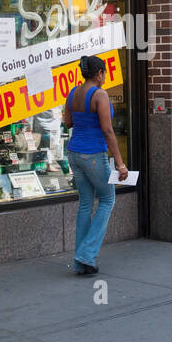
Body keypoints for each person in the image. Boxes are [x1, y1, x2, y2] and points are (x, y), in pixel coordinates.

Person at [61, 55, 129, 275]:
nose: (105, 76)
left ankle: (80, 263)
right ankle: (86, 255)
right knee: (108, 200)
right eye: (105, 73)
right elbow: (108, 131)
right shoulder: (99, 95)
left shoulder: (72, 93)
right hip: (93, 154)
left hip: (74, 153)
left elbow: (68, 122)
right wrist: (120, 164)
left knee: (85, 205)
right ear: (99, 73)